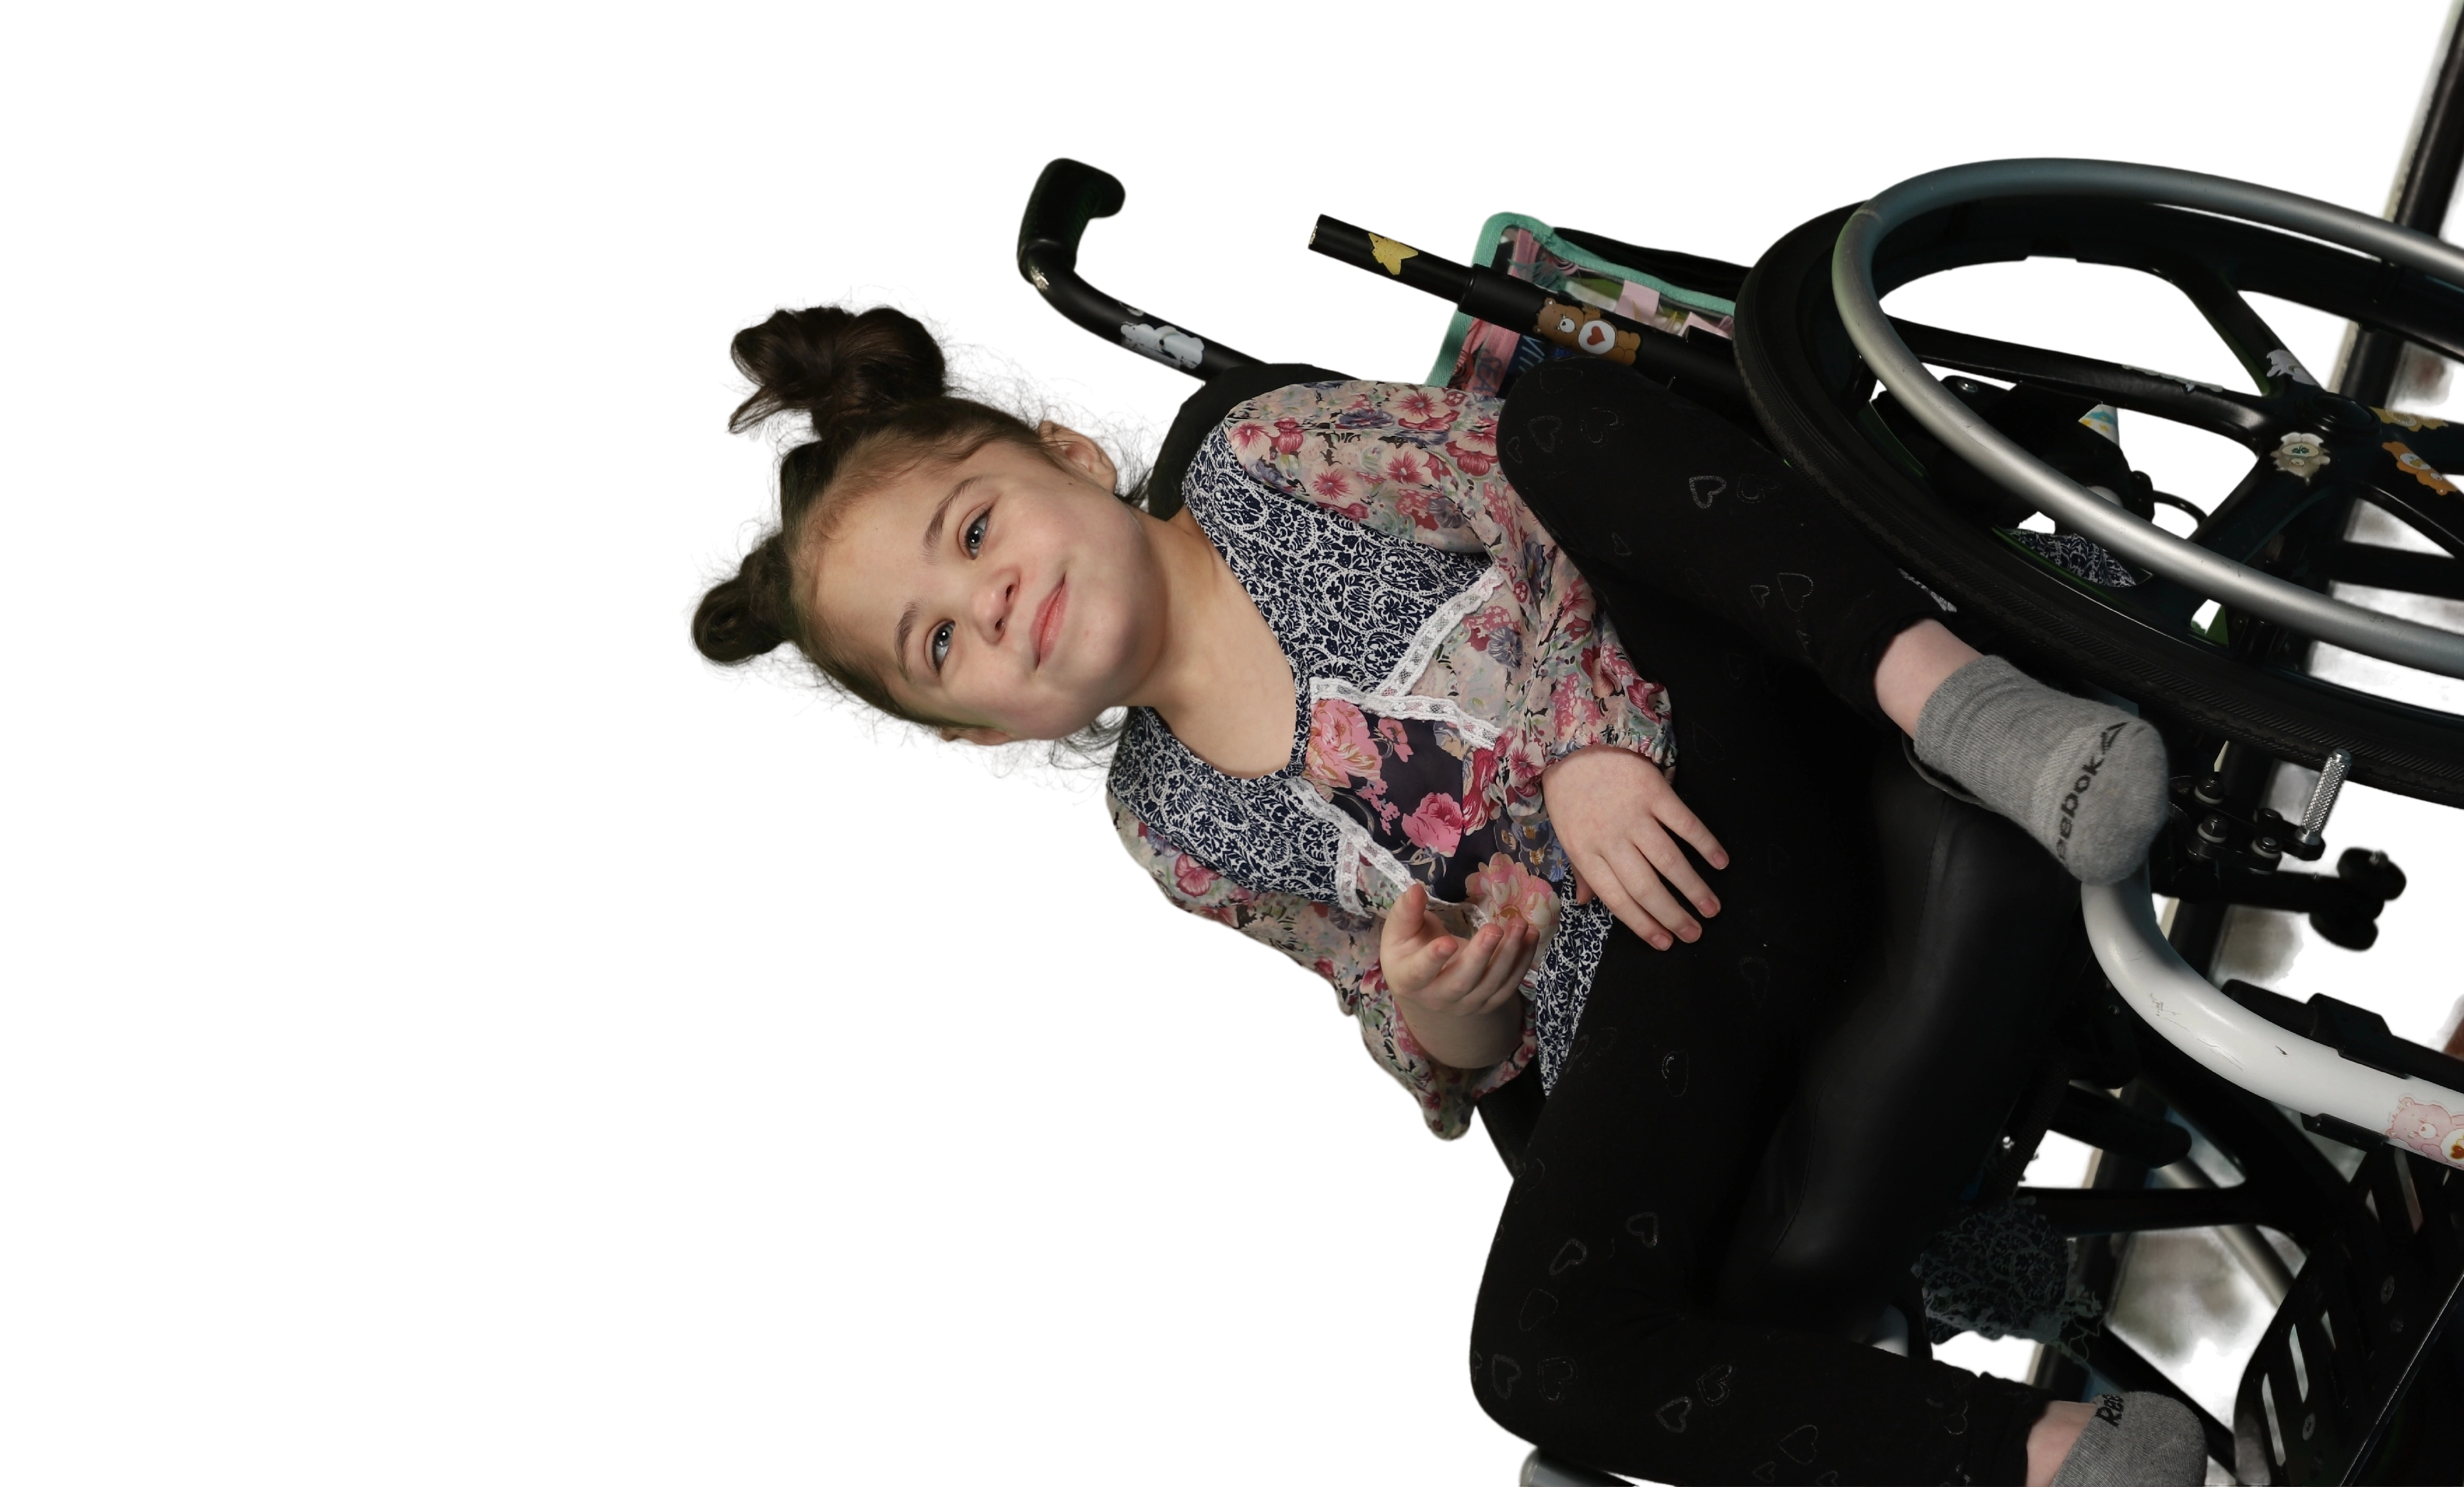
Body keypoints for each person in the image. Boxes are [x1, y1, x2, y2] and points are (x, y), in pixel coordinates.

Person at [677, 286, 2202, 1487]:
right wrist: (1441, 1009)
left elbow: (1520, 497)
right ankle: (2057, 1454)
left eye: (974, 530)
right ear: (982, 735)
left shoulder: (1263, 463)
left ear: (1070, 454)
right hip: (1664, 967)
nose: (990, 598)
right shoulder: (1167, 826)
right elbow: (1375, 986)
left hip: (1720, 748)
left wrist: (1585, 740)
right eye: (940, 642)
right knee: (1527, 1356)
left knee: (1563, 427)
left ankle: (1968, 703)